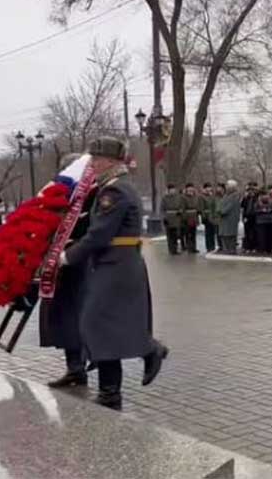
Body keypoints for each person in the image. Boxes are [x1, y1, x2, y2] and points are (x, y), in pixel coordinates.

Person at [60, 137, 167, 411]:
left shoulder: (115, 192)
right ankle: (111, 391)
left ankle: (146, 354)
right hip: (113, 264)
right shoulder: (113, 187)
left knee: (96, 324)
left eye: (96, 159)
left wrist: (67, 256)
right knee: (100, 326)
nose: (92, 164)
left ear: (111, 161)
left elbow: (99, 235)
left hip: (116, 266)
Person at [40, 153, 96, 388]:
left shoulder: (93, 194)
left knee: (80, 318)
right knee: (64, 320)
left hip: (81, 265)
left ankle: (85, 361)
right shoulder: (62, 197)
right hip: (62, 268)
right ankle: (74, 368)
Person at [218, 180, 241, 254]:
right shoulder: (226, 195)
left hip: (230, 220)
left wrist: (220, 211)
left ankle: (230, 251)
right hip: (225, 220)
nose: (226, 187)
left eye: (227, 186)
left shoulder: (234, 196)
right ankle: (226, 250)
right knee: (224, 236)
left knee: (229, 236)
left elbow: (227, 208)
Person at [161, 184, 184, 255]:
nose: (172, 191)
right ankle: (171, 249)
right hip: (168, 218)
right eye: (171, 189)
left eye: (173, 189)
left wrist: (180, 211)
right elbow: (162, 209)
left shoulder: (178, 198)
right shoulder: (164, 198)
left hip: (176, 218)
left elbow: (181, 206)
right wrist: (164, 218)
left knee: (176, 235)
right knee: (170, 235)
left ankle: (175, 248)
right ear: (168, 190)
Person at [181, 183, 201, 254]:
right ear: (186, 189)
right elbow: (182, 209)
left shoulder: (196, 197)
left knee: (193, 233)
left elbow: (198, 206)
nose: (190, 189)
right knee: (188, 233)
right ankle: (189, 247)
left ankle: (194, 247)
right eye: (189, 188)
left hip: (194, 217)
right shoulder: (183, 197)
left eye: (191, 188)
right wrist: (184, 218)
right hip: (187, 217)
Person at [200, 183, 219, 253]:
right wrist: (203, 217)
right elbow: (201, 208)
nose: (209, 189)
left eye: (210, 187)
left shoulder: (212, 196)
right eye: (208, 188)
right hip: (206, 215)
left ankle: (213, 246)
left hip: (212, 216)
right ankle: (208, 247)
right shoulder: (202, 197)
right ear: (204, 189)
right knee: (208, 232)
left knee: (212, 232)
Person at [241, 183, 259, 253]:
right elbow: (242, 206)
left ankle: (254, 247)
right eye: (249, 191)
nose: (251, 192)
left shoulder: (256, 198)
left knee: (254, 233)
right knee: (247, 233)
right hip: (247, 217)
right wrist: (244, 197)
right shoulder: (246, 198)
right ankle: (247, 247)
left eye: (252, 190)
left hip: (254, 217)